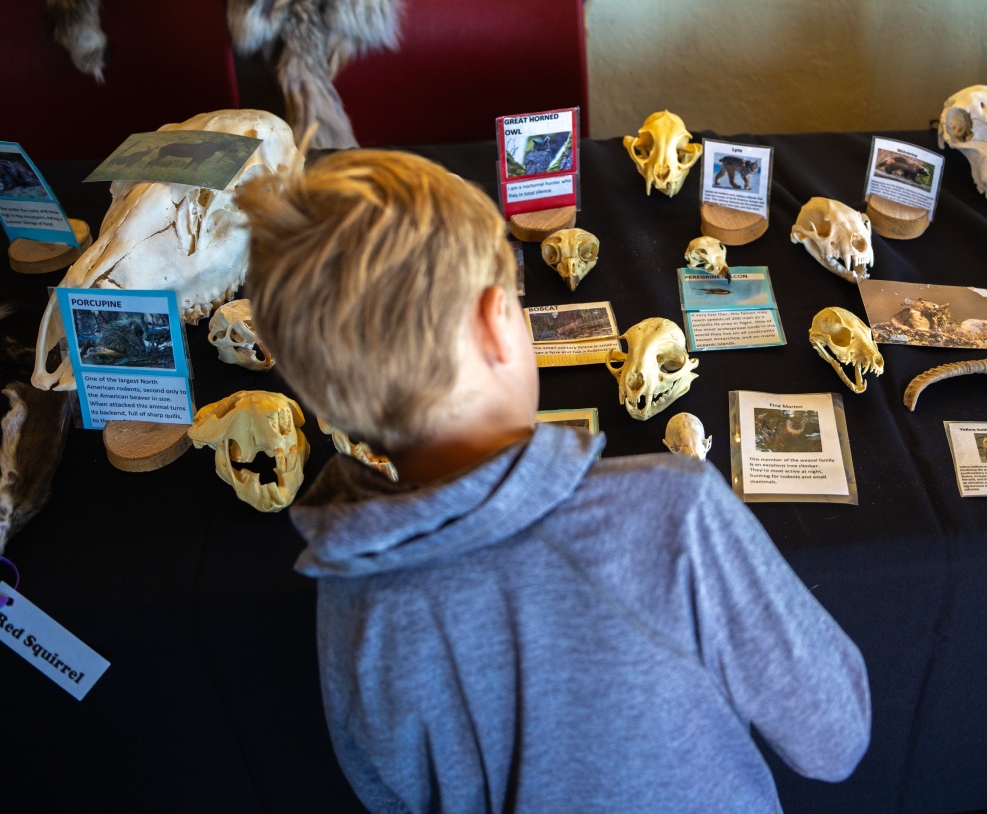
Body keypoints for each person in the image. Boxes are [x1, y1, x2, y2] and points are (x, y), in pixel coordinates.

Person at [238, 150, 871, 813]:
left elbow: (389, 792)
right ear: (495, 324)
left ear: (327, 403)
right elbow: (836, 736)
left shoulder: (349, 604)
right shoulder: (677, 510)